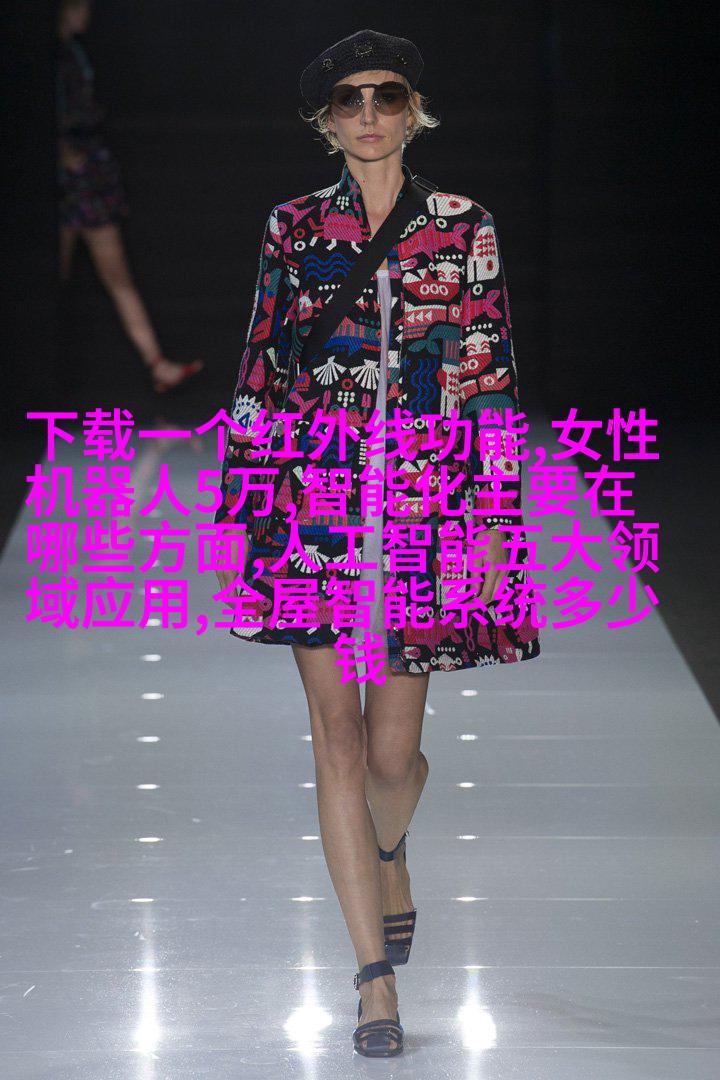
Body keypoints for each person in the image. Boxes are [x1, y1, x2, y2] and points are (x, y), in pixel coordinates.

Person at [214, 28, 541, 1057]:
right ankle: (372, 982)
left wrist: (497, 520)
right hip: (309, 503)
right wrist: (245, 507)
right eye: (349, 99)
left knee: (395, 754)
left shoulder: (465, 226)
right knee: (340, 741)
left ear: (413, 111)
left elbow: (489, 371)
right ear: (327, 119)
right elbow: (262, 363)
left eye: (386, 95)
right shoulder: (293, 227)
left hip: (425, 510)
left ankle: (390, 849)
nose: (367, 113)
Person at [56, 0, 203, 393]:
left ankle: (157, 364)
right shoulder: (55, 58)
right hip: (65, 179)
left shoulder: (74, 54)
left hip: (90, 175)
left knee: (116, 276)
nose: (86, 11)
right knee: (55, 278)